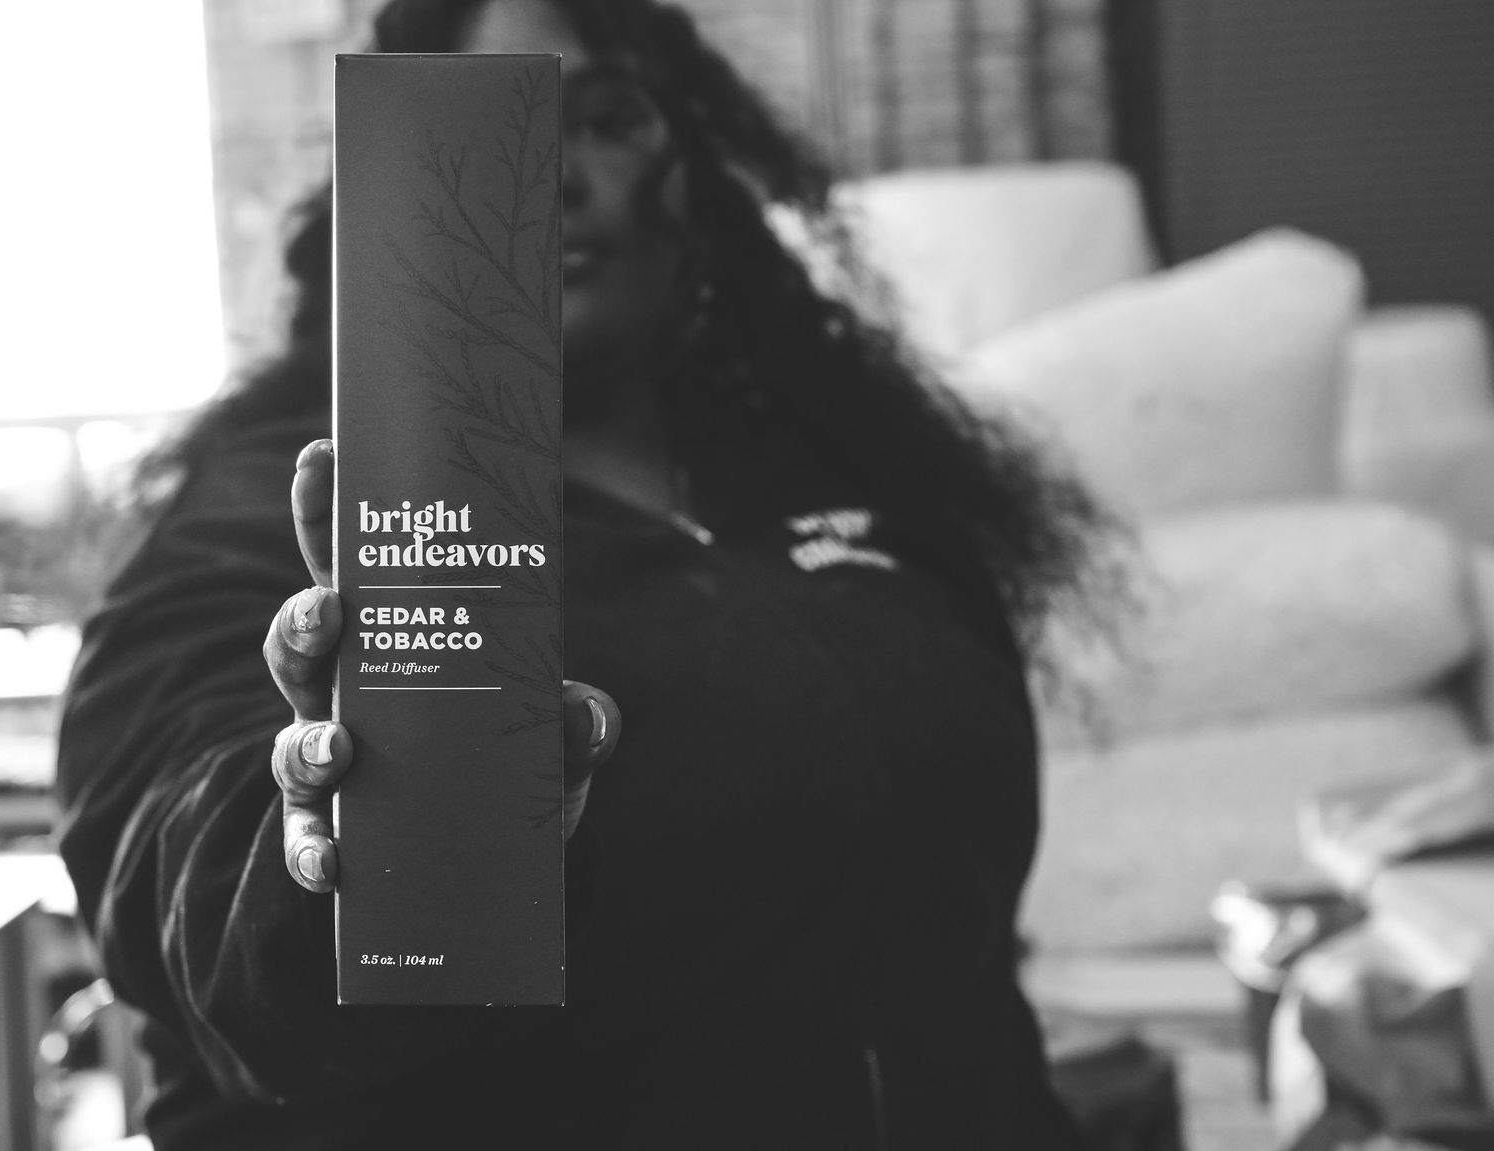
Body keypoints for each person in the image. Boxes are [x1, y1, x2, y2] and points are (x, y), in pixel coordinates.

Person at [56, 0, 1117, 1146]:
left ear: (692, 178)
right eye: (489, 127)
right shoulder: (289, 501)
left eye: (606, 119)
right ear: (394, 190)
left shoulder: (839, 467)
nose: (552, 173)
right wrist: (332, 840)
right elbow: (172, 863)